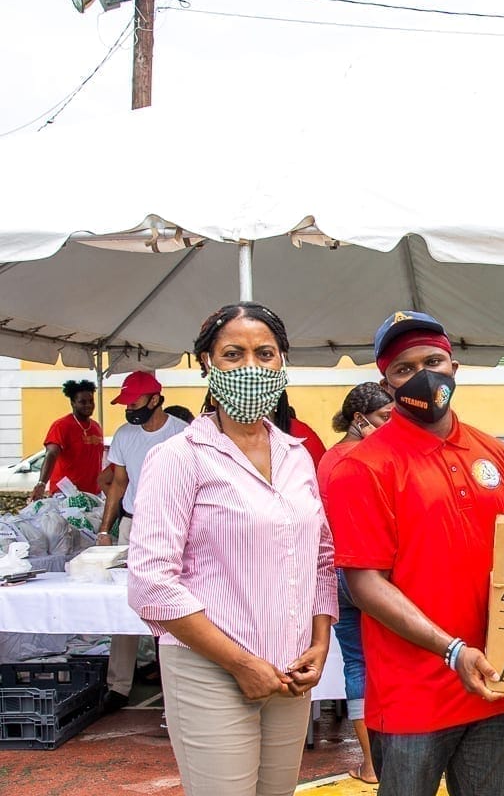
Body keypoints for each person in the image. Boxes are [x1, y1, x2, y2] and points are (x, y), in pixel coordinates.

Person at [127, 302, 337, 796]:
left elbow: (322, 557)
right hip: (211, 669)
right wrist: (241, 663)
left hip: (290, 670)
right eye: (233, 354)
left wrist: (321, 640)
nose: (251, 368)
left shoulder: (296, 454)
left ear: (282, 364)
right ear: (206, 364)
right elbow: (151, 583)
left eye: (265, 354)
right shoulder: (178, 458)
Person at [324, 310, 504, 796]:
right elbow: (365, 584)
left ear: (454, 367)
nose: (424, 376)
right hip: (412, 693)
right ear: (387, 382)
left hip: (496, 682)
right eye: (405, 368)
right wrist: (451, 649)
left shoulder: (494, 454)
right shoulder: (364, 466)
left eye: (434, 360)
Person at [95, 371, 189, 713]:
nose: (128, 410)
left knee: (170, 607)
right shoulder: (124, 435)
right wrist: (106, 528)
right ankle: (118, 685)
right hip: (133, 525)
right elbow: (118, 483)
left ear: (154, 399)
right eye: (124, 404)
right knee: (125, 604)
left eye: (133, 403)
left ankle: (173, 686)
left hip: (172, 527)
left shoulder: (182, 433)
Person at [315, 382, 394, 786]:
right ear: (359, 421)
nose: (392, 424)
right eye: (385, 417)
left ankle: (370, 763)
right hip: (371, 572)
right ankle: (393, 756)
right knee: (390, 660)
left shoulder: (329, 458)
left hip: (336, 573)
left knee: (357, 664)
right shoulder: (370, 458)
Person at [29, 379, 104, 500]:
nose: (88, 405)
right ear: (73, 403)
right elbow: (51, 454)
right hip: (66, 494)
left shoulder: (96, 427)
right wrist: (41, 483)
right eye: (83, 402)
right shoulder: (61, 426)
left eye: (91, 401)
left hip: (93, 494)